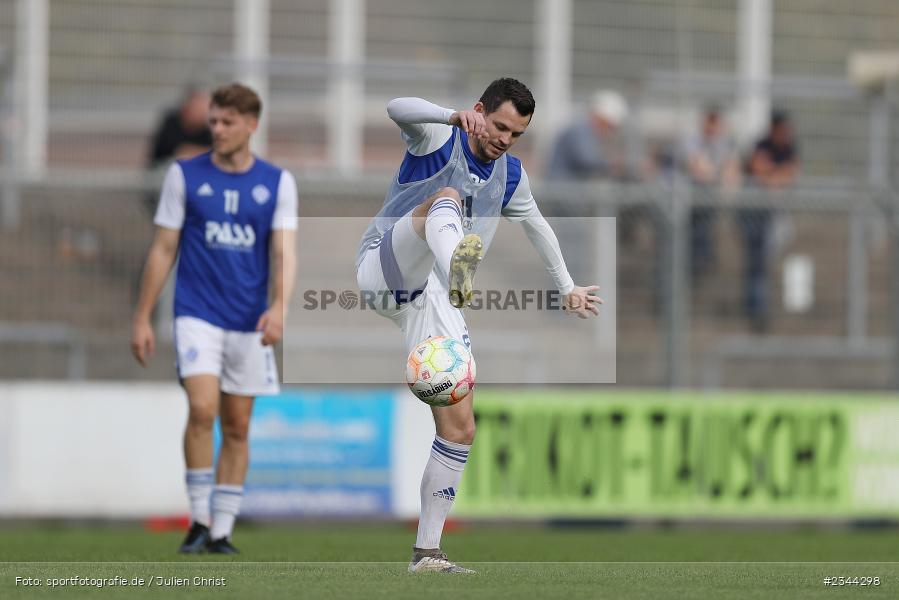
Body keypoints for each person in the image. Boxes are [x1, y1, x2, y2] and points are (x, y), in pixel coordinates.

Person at [356, 78, 602, 574]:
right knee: (444, 196)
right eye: (499, 126)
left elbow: (538, 226)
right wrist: (448, 116)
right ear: (479, 113)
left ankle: (427, 553)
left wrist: (567, 286)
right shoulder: (437, 138)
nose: (505, 139)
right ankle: (459, 269)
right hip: (386, 266)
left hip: (435, 298)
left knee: (461, 428)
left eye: (516, 134)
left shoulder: (510, 176)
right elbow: (394, 106)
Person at [130, 83, 298, 554]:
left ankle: (222, 530)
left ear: (251, 125)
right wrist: (142, 316)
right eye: (213, 122)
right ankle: (199, 519)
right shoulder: (184, 176)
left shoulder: (276, 182)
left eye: (227, 122)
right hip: (196, 314)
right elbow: (163, 248)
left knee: (239, 425)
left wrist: (279, 308)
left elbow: (284, 253)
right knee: (203, 409)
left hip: (249, 320)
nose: (217, 130)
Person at [741, 110, 799, 331]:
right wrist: (774, 177)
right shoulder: (761, 145)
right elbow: (760, 169)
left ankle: (761, 306)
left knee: (767, 260)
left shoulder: (790, 147)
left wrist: (774, 177)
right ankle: (757, 309)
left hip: (776, 213)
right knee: (758, 261)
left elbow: (789, 173)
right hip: (755, 214)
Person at [679, 107, 741, 281]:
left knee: (703, 239)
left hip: (709, 203)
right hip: (690, 201)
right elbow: (697, 169)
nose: (712, 129)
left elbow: (730, 171)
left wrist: (716, 174)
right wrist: (716, 173)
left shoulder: (725, 143)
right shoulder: (692, 140)